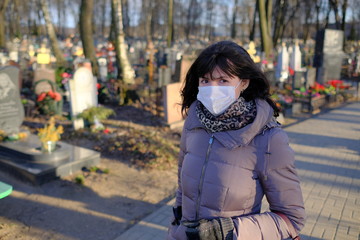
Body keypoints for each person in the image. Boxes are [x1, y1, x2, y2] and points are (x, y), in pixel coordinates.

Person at [167, 41, 305, 240]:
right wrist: (177, 225)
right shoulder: (194, 122)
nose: (212, 88)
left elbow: (291, 219)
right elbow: (182, 184)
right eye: (205, 80)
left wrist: (229, 230)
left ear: (244, 82)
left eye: (223, 80)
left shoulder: (269, 138)